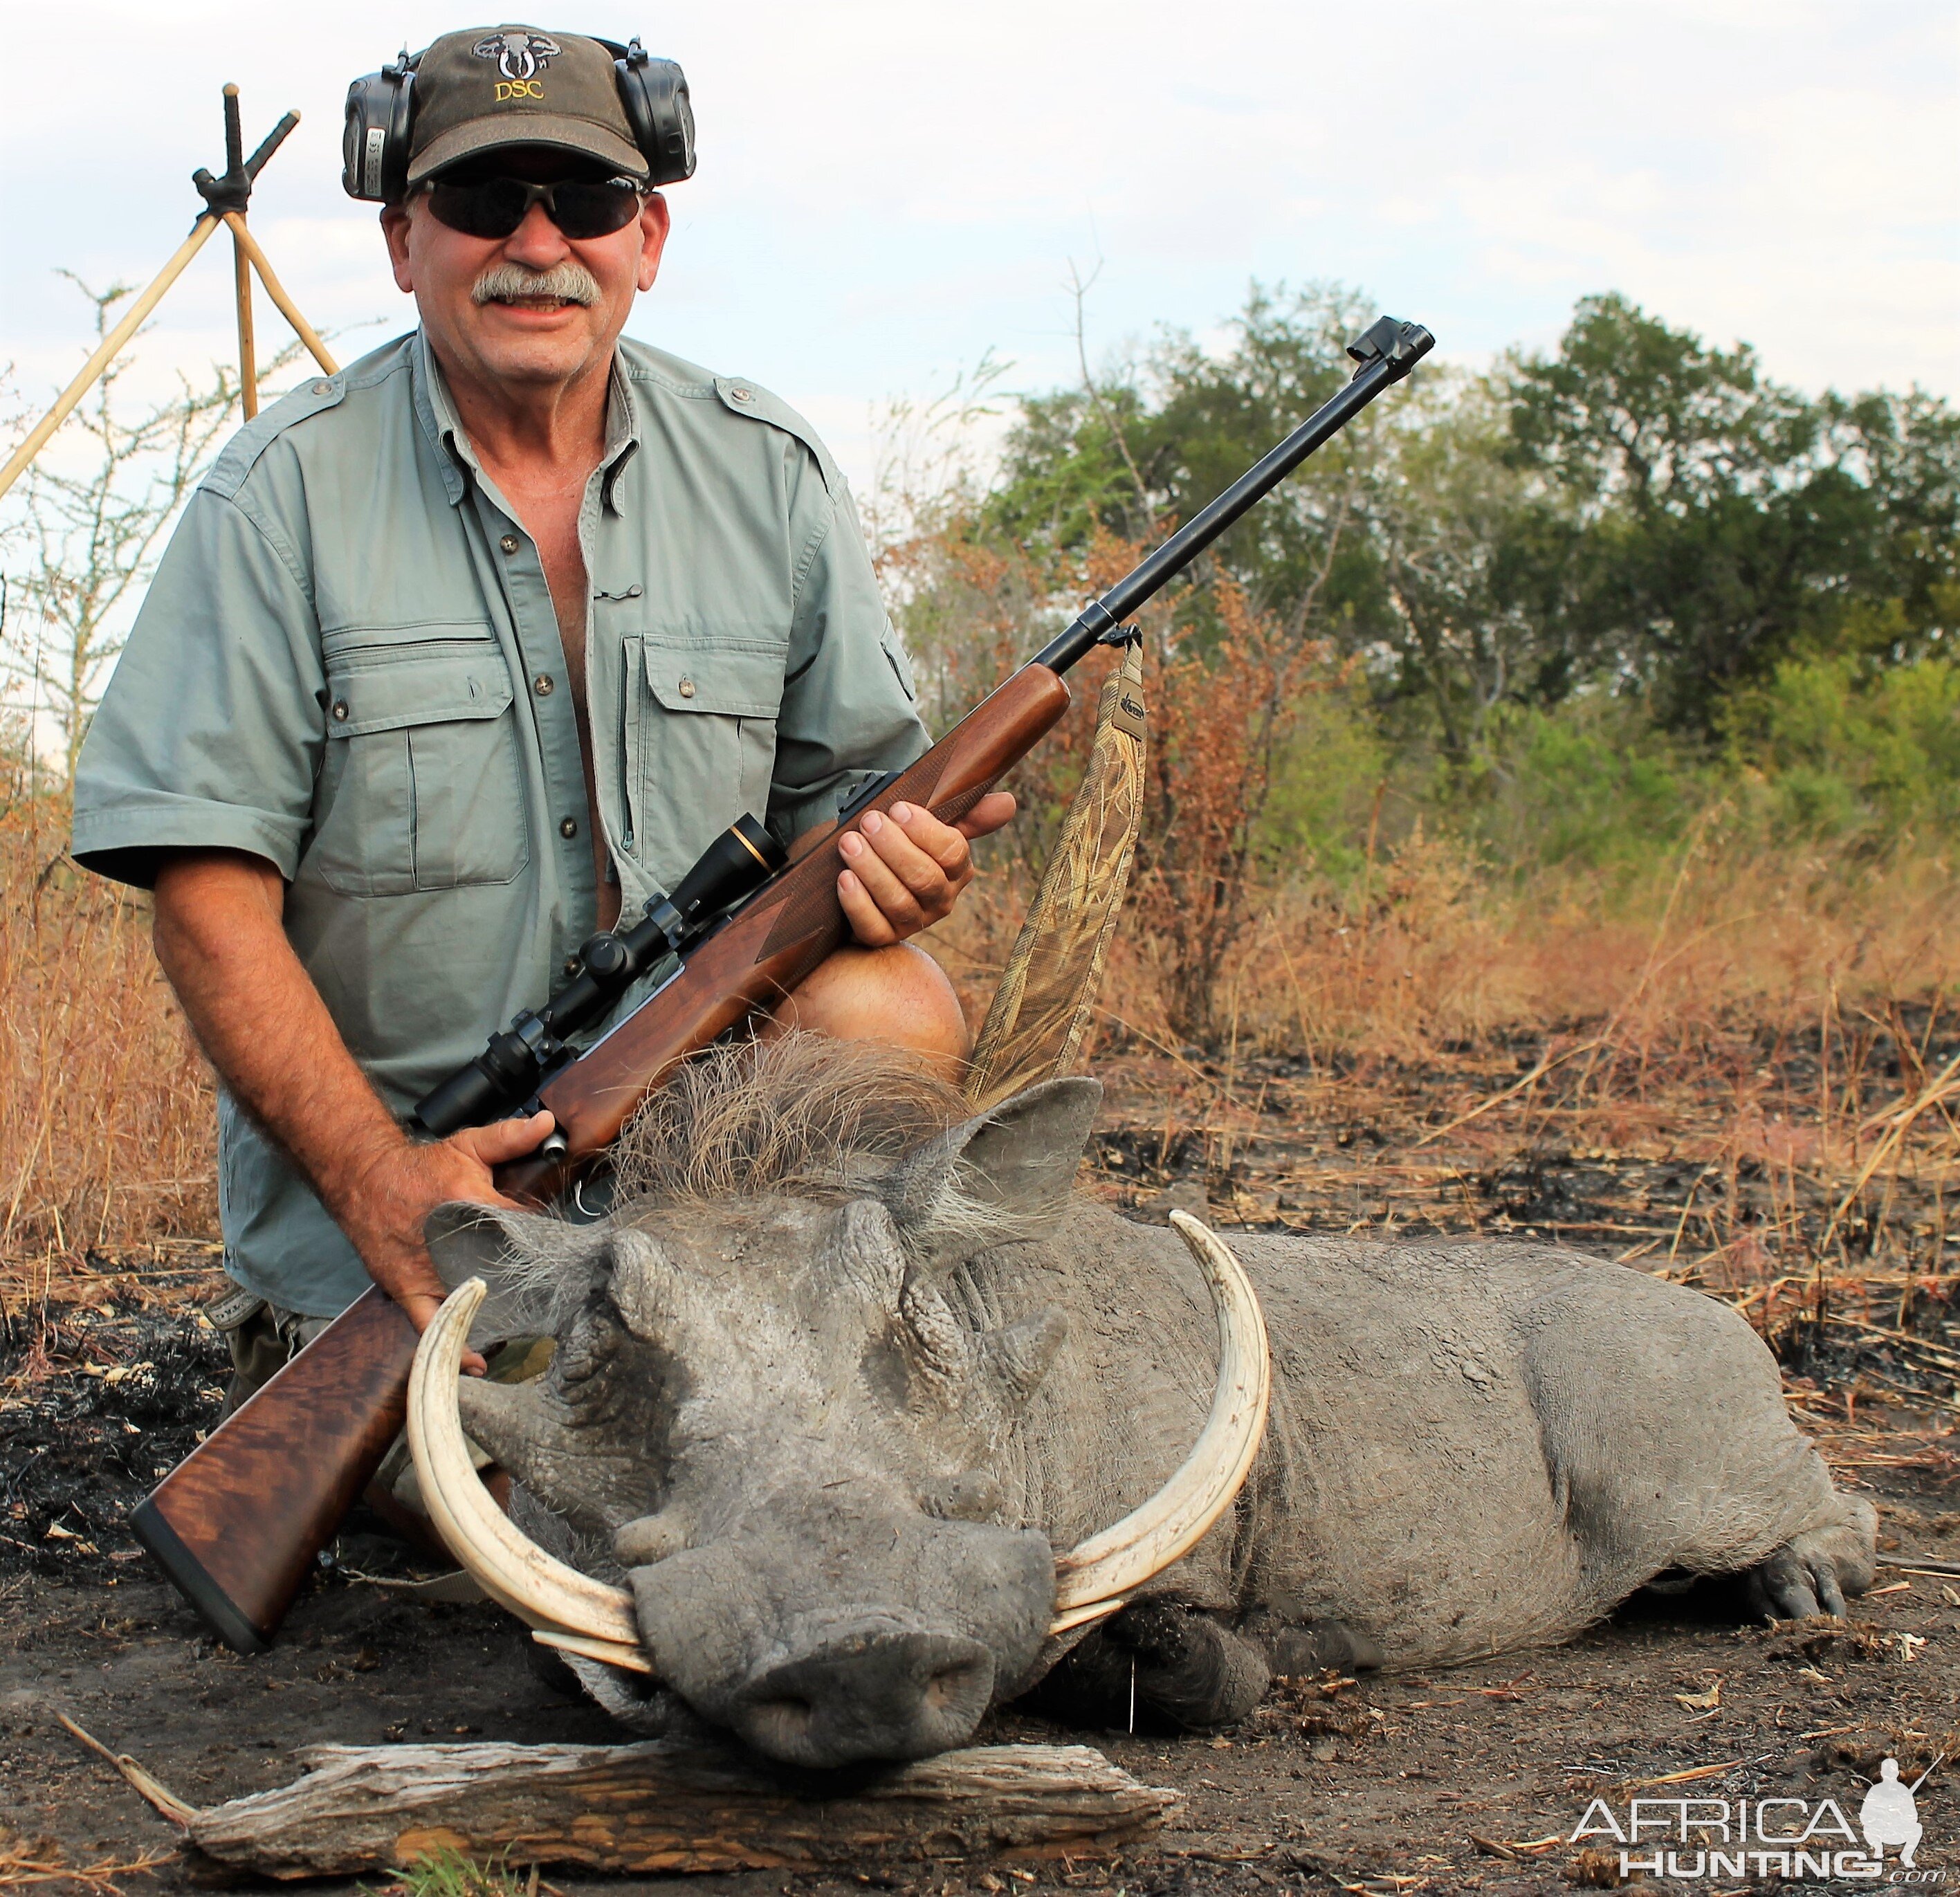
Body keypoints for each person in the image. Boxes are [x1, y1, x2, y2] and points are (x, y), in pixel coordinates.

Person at [69, 24, 1013, 1400]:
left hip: (696, 1208)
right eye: (477, 201)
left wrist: (900, 873)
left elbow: (843, 828)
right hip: (407, 1241)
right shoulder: (277, 494)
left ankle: (774, 1351)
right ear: (402, 240)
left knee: (891, 1001)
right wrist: (387, 1188)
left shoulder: (771, 473)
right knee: (553, 1520)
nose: (535, 244)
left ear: (649, 236)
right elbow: (206, 899)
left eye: (582, 202)